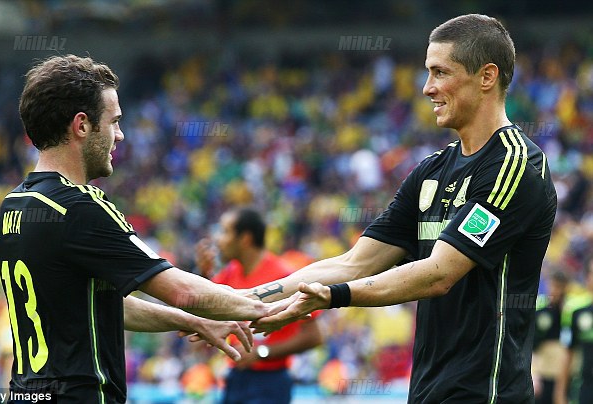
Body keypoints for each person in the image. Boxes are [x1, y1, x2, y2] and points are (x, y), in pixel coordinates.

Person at [250, 14, 557, 403]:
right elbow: (353, 263)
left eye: (440, 72)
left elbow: (438, 274)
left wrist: (334, 296)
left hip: (486, 393)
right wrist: (246, 300)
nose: (427, 88)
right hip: (427, 390)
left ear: (487, 77)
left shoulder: (515, 166)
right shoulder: (431, 170)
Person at [0, 55, 289, 403]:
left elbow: (98, 303)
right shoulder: (79, 206)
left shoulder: (14, 205)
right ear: (82, 125)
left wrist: (192, 321)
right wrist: (270, 308)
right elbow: (183, 291)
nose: (119, 135)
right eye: (114, 122)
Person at [194, 208, 323, 404]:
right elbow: (205, 306)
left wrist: (262, 353)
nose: (219, 240)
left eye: (225, 231)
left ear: (245, 238)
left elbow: (313, 336)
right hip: (235, 377)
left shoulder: (285, 278)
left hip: (271, 382)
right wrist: (204, 275)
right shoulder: (231, 273)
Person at [554, 261, 593, 404]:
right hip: (584, 390)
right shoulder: (576, 312)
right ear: (587, 278)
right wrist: (559, 394)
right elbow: (567, 354)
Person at [532, 271, 569, 403]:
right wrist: (534, 374)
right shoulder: (542, 312)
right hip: (545, 370)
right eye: (552, 286)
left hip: (566, 372)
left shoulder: (570, 311)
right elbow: (533, 346)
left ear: (565, 287)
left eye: (558, 287)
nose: (554, 290)